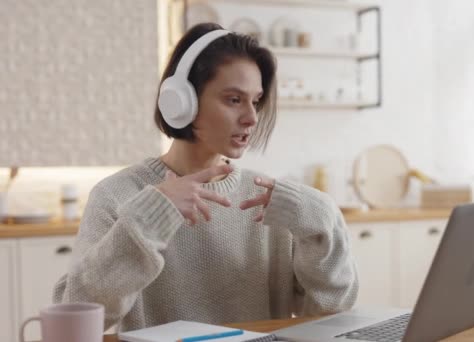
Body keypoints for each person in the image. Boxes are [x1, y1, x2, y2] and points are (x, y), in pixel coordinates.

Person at [53, 23, 358, 332]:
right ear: (182, 101)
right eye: (234, 99)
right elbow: (73, 317)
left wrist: (324, 222)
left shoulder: (267, 200)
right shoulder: (117, 195)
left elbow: (329, 315)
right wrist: (149, 218)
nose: (251, 118)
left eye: (255, 101)